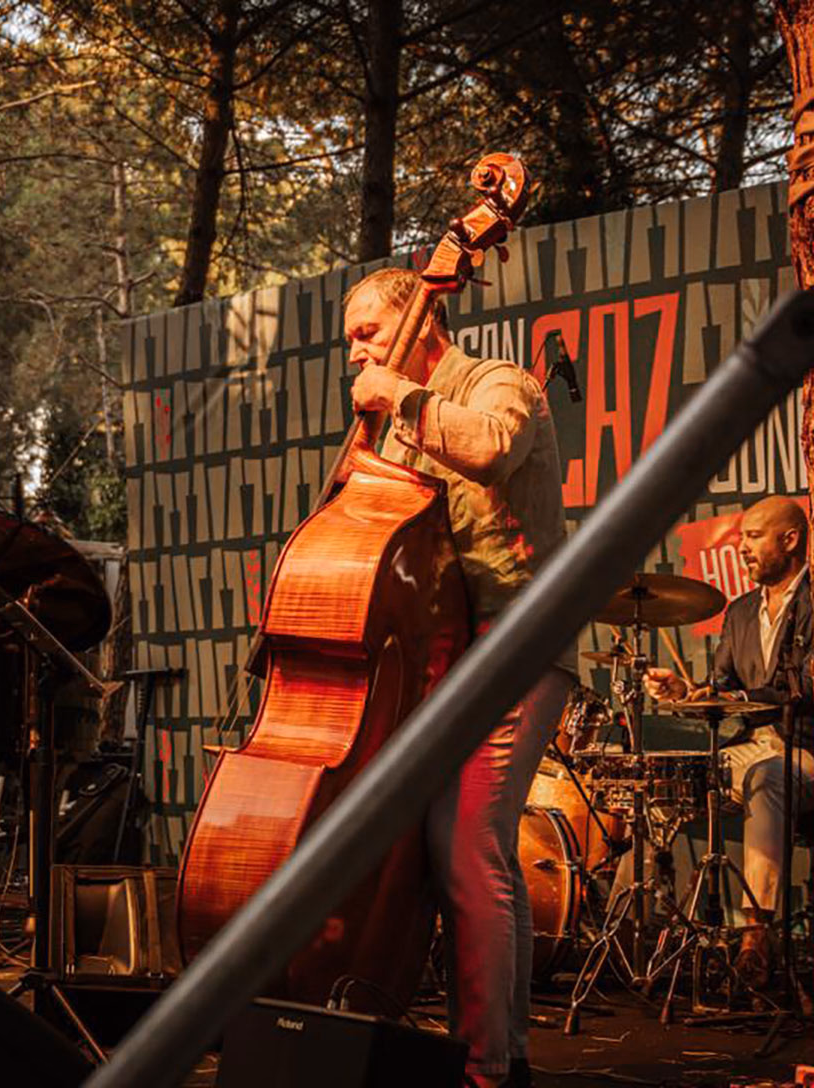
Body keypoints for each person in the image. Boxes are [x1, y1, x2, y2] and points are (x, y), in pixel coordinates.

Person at [346, 266, 570, 1088]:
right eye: (351, 343)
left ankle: (482, 1066)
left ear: (417, 323)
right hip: (453, 658)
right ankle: (503, 1053)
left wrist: (400, 398)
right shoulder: (402, 426)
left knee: (465, 841)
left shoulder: (497, 382)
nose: (355, 355)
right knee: (481, 853)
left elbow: (491, 449)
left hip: (520, 641)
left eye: (367, 333)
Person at [644, 495, 813, 982]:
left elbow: (804, 686)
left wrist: (739, 694)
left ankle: (756, 936)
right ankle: (656, 926)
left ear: (790, 539)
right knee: (665, 777)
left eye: (754, 536)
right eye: (740, 537)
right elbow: (721, 688)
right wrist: (688, 692)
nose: (742, 547)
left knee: (767, 776)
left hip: (803, 747)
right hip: (754, 744)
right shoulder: (740, 612)